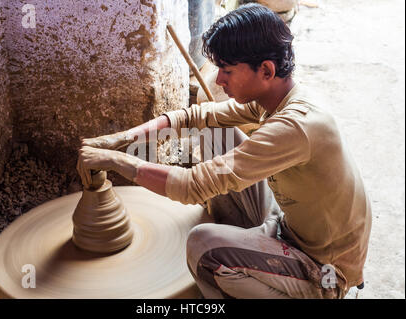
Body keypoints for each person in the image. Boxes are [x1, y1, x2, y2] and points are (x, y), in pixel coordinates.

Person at [77, 3, 371, 299]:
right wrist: (120, 139)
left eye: (227, 70)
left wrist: (116, 161)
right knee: (215, 133)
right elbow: (195, 118)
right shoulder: (276, 96)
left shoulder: (295, 127)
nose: (218, 80)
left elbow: (192, 186)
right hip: (290, 226)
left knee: (202, 246)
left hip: (322, 269)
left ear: (266, 70)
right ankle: (242, 248)